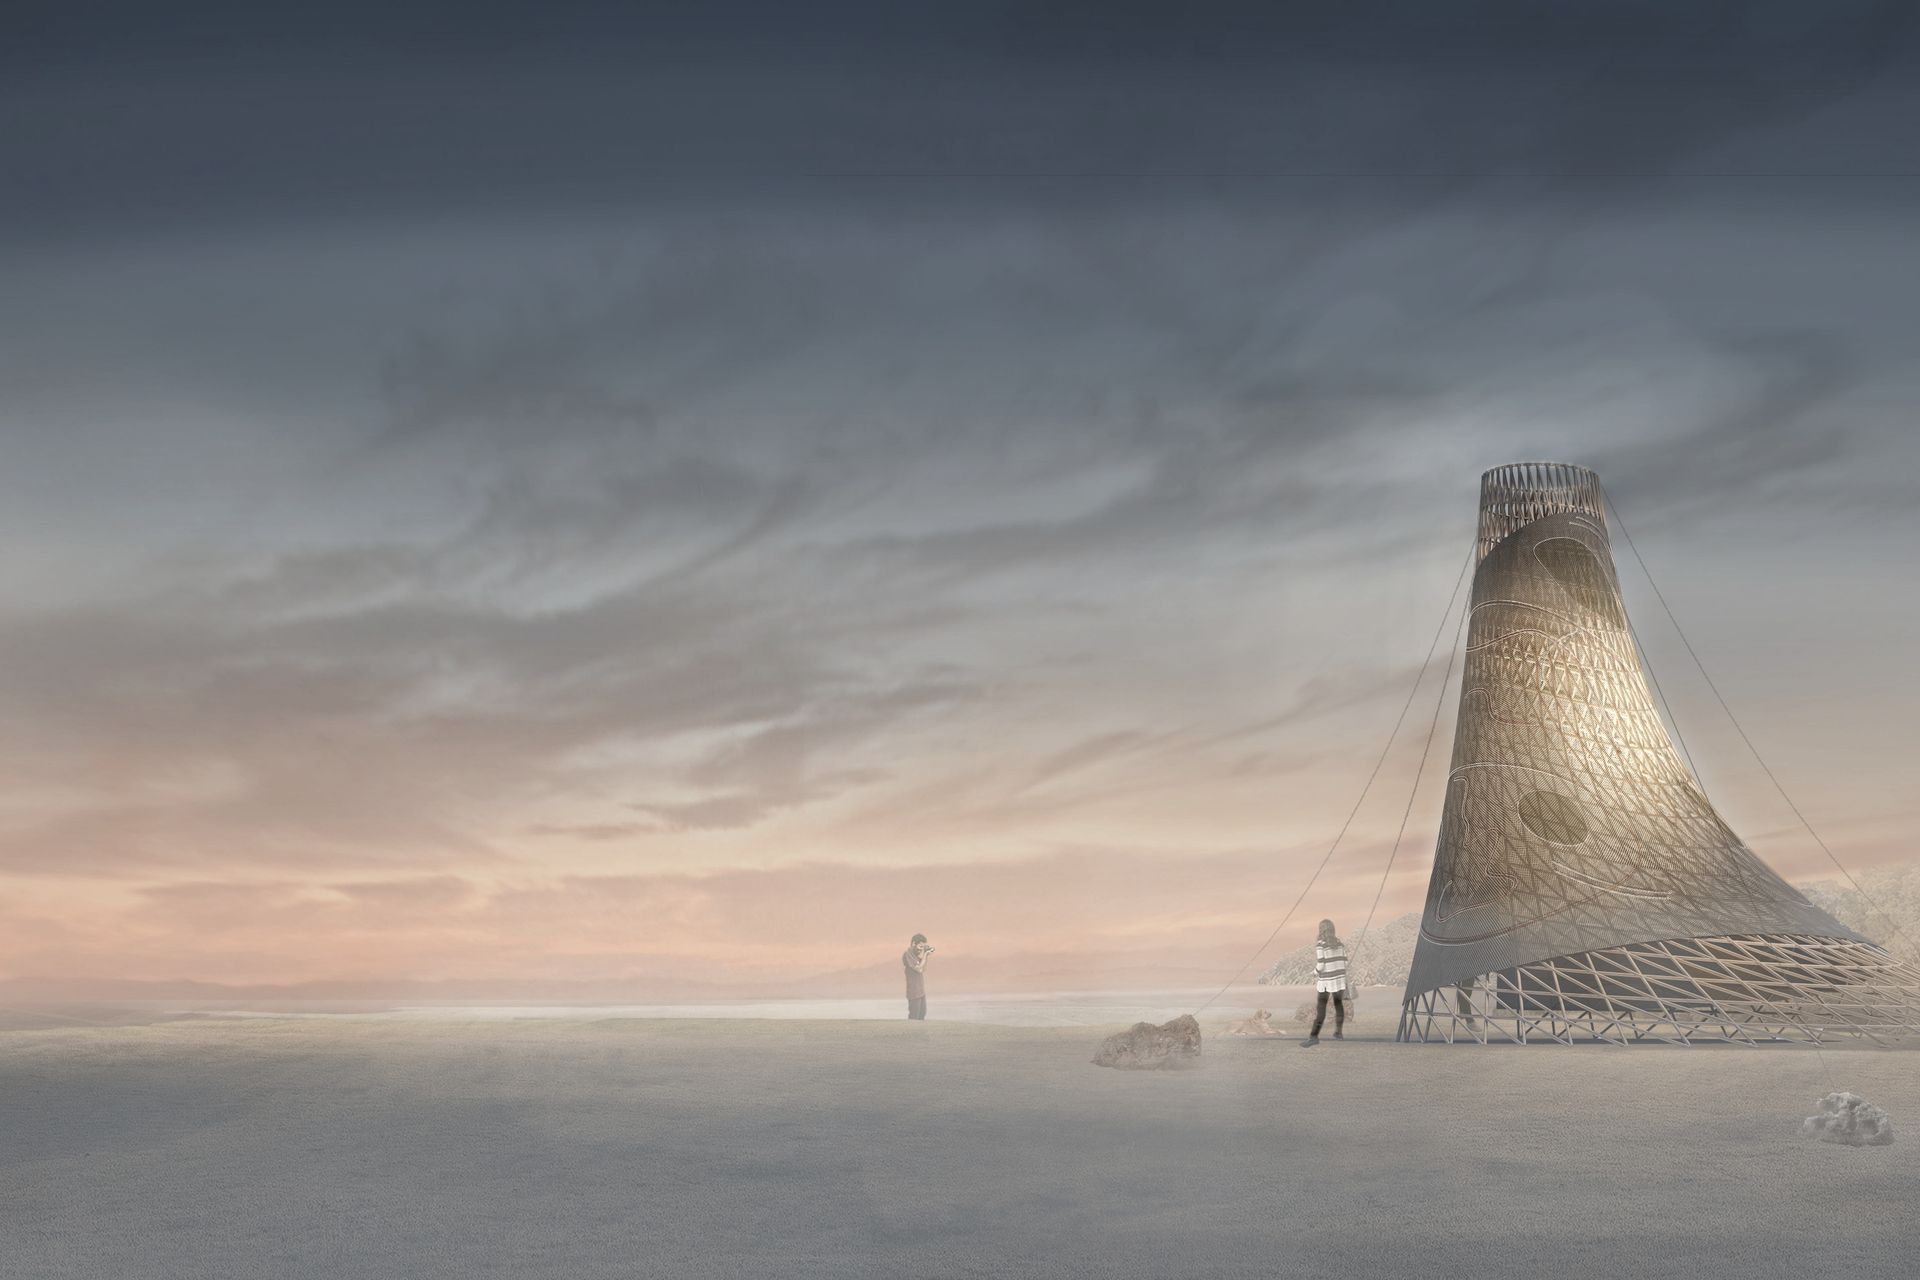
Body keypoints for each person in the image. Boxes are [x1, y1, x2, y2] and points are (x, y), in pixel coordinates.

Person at [1300, 919, 1348, 1047]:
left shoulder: (1321, 945)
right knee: (1339, 1006)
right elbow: (1345, 962)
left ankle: (1313, 1037)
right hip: (1339, 980)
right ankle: (1339, 1033)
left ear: (1321, 930)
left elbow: (1321, 965)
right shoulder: (1340, 943)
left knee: (1321, 1009)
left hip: (1327, 981)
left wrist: (1314, 972)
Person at [902, 933, 933, 1020]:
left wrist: (925, 956)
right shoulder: (908, 954)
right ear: (913, 944)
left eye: (923, 946)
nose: (921, 949)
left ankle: (919, 1033)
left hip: (921, 990)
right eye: (920, 946)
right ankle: (911, 1033)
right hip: (914, 991)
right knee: (914, 1016)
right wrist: (925, 954)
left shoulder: (917, 955)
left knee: (922, 1014)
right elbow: (919, 969)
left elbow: (923, 969)